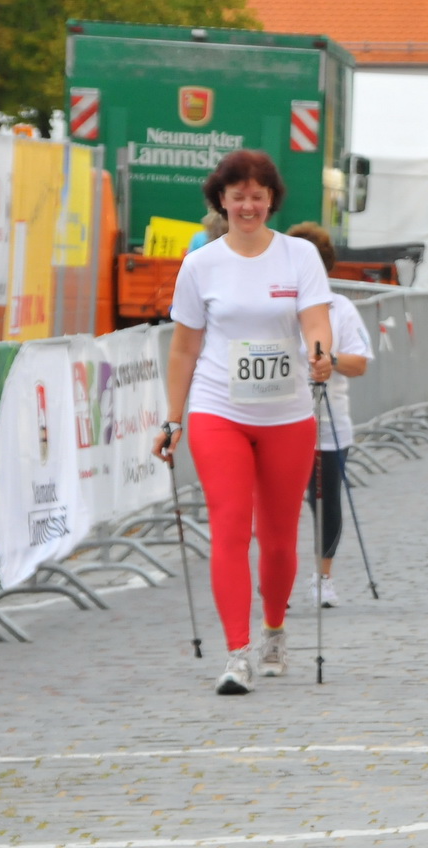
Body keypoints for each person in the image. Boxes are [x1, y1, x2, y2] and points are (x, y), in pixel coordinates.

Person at [152, 149, 334, 694]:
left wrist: (321, 351)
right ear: (221, 201)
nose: (249, 205)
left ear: (271, 200)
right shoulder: (202, 263)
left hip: (286, 412)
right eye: (238, 196)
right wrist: (173, 418)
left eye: (258, 195)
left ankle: (274, 627)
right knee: (230, 527)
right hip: (218, 408)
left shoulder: (298, 256)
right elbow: (184, 349)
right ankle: (237, 653)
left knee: (277, 538)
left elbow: (315, 318)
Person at [287, 222, 374, 608]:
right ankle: (279, 579)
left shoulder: (340, 308)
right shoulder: (275, 304)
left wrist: (331, 360)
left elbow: (360, 363)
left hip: (328, 425)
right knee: (283, 504)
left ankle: (323, 577)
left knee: (326, 501)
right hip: (281, 422)